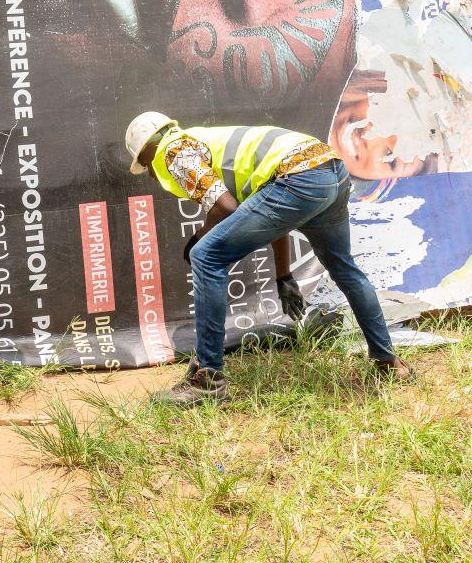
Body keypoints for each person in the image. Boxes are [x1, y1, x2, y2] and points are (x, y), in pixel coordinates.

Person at [123, 112, 408, 407]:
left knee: (205, 255)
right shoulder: (204, 144)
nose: (151, 174)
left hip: (299, 177)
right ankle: (389, 363)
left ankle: (207, 381)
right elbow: (271, 211)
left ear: (148, 151)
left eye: (145, 166)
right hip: (329, 170)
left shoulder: (173, 151)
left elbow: (226, 207)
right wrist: (283, 275)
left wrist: (199, 237)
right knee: (343, 267)